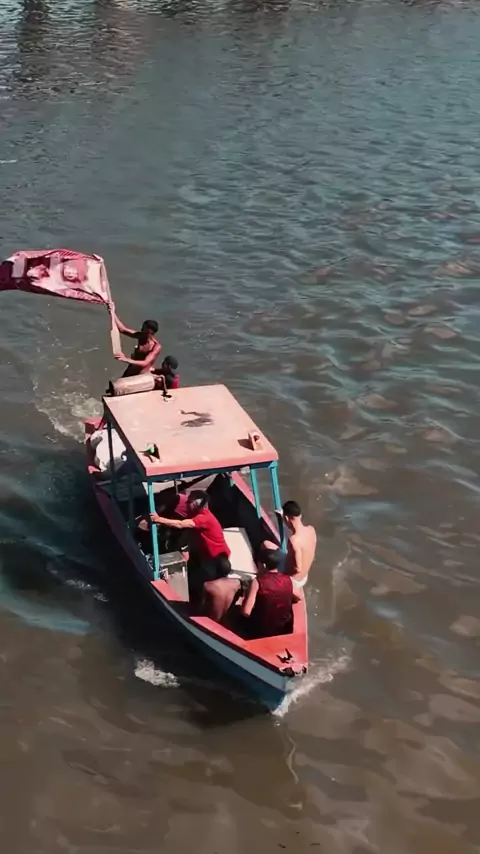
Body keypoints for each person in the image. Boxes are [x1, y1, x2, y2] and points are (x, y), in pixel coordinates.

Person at [150, 490, 231, 583]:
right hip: (206, 554)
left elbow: (180, 524)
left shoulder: (204, 518)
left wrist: (158, 519)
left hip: (216, 558)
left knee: (205, 582)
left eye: (188, 501)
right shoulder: (198, 513)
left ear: (194, 504)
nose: (186, 503)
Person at [264, 500, 317, 598]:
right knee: (267, 545)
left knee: (266, 554)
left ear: (287, 518)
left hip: (293, 580)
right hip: (304, 578)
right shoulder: (311, 530)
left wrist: (282, 578)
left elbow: (297, 568)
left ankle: (292, 591)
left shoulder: (294, 540)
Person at [241, 548, 294, 637]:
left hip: (260, 630)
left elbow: (246, 612)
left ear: (264, 565)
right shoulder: (288, 579)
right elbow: (299, 596)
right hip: (281, 628)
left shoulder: (257, 582)